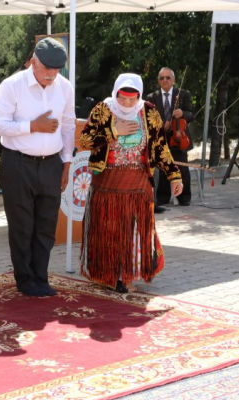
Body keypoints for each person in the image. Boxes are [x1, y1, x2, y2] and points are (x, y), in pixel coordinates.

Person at [80, 73, 182, 293]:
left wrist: (174, 175)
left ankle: (126, 276)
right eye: (122, 98)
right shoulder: (102, 110)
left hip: (138, 183)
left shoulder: (148, 111)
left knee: (133, 231)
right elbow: (85, 139)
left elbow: (160, 147)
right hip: (107, 183)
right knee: (108, 230)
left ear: (139, 96)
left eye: (132, 98)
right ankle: (106, 273)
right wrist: (114, 132)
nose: (127, 103)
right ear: (115, 93)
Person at [0, 38, 75, 297]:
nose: (51, 74)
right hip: (18, 164)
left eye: (57, 69)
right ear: (34, 62)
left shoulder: (65, 87)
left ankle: (41, 277)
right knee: (22, 225)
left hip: (51, 164)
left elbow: (69, 125)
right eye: (47, 68)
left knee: (46, 225)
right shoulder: (12, 86)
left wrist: (67, 162)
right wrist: (32, 126)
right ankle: (24, 280)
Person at [147, 67, 193, 206]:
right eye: (162, 78)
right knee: (162, 168)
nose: (165, 80)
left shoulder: (183, 94)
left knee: (182, 168)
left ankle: (184, 198)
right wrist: (161, 126)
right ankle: (162, 198)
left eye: (168, 78)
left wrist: (183, 114)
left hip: (180, 137)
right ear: (158, 80)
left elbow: (191, 114)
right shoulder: (151, 97)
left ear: (173, 80)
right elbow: (148, 120)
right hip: (161, 138)